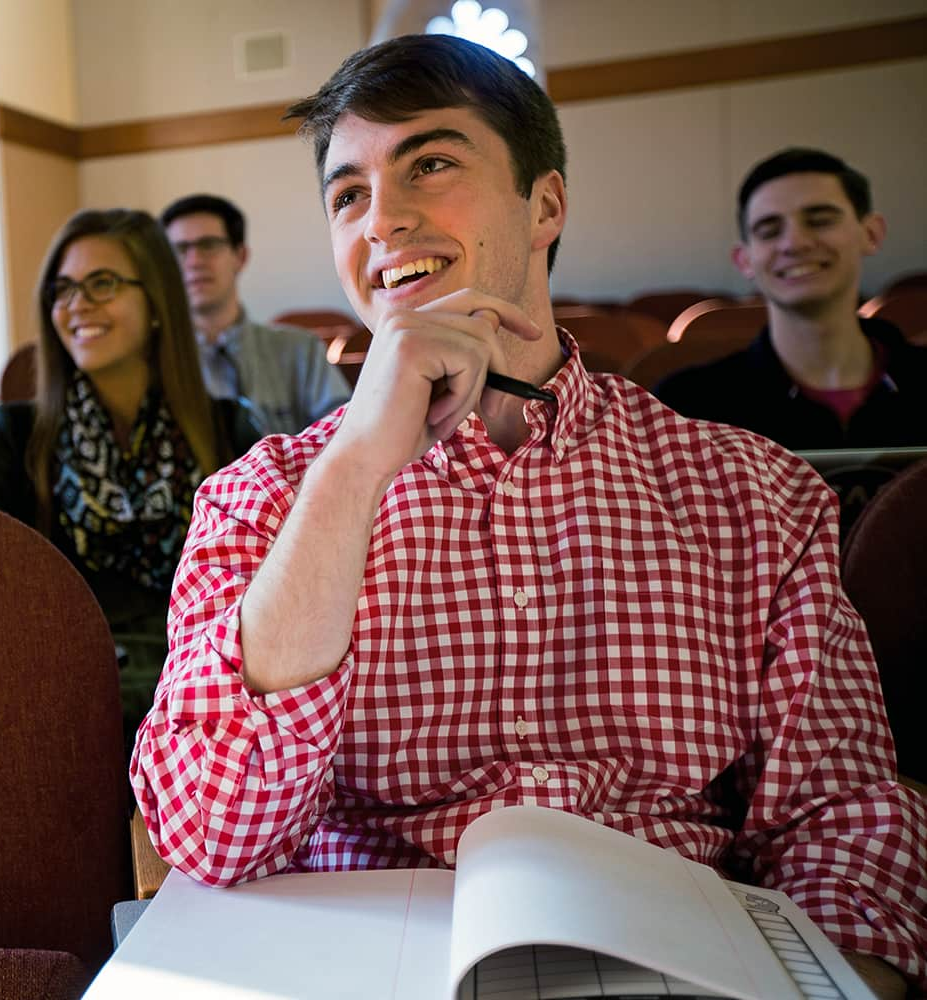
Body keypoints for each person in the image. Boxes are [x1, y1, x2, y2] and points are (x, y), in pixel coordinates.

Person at [131, 35, 924, 997]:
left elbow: (840, 813)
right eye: (347, 194)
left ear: (545, 204)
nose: (382, 219)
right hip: (365, 964)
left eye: (429, 163)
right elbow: (212, 835)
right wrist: (347, 476)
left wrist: (848, 984)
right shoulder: (261, 497)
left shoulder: (749, 493)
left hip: (676, 956)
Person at [0, 208, 262, 746]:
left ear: (156, 301)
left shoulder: (228, 428)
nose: (77, 304)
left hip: (206, 694)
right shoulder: (15, 435)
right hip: (66, 693)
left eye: (102, 283)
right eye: (63, 288)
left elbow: (258, 593)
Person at [656, 148, 927, 449]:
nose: (794, 243)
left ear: (871, 234)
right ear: (744, 260)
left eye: (820, 220)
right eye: (769, 230)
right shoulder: (686, 408)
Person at [160, 194, 351, 434]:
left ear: (240, 257)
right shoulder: (153, 361)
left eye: (209, 245)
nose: (194, 261)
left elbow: (344, 434)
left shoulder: (301, 351)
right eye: (180, 250)